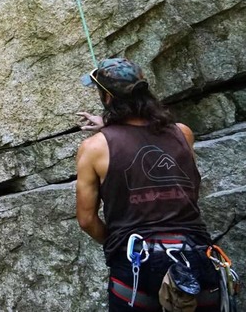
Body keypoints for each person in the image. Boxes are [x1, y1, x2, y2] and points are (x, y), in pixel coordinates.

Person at [75, 58, 225, 311]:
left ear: (107, 98)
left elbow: (87, 220)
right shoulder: (183, 133)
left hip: (136, 268)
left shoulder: (94, 148)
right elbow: (187, 188)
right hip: (195, 258)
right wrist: (111, 125)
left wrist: (119, 243)